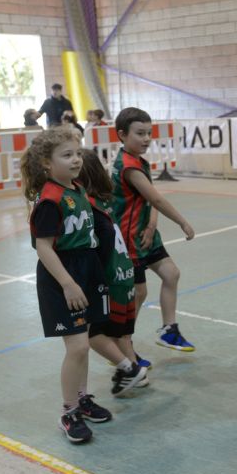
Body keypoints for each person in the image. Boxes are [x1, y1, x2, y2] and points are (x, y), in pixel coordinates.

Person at [20, 128, 113, 444]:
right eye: (67, 155)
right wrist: (69, 284)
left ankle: (82, 398)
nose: (76, 159)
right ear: (47, 162)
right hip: (63, 276)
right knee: (78, 346)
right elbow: (43, 247)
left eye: (77, 153)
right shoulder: (49, 200)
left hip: (84, 269)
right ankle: (68, 411)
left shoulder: (76, 188)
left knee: (83, 342)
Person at [109, 107, 196, 354]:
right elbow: (156, 199)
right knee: (138, 292)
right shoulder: (129, 166)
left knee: (171, 274)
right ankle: (120, 343)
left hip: (145, 234)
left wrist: (151, 224)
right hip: (129, 239)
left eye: (149, 133)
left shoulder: (138, 160)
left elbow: (148, 199)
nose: (146, 138)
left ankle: (169, 330)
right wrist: (182, 222)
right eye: (140, 133)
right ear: (122, 135)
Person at [77, 149, 149, 396]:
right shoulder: (106, 201)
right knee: (123, 333)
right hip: (125, 272)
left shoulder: (87, 207)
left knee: (93, 334)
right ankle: (137, 374)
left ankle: (128, 369)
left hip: (110, 278)